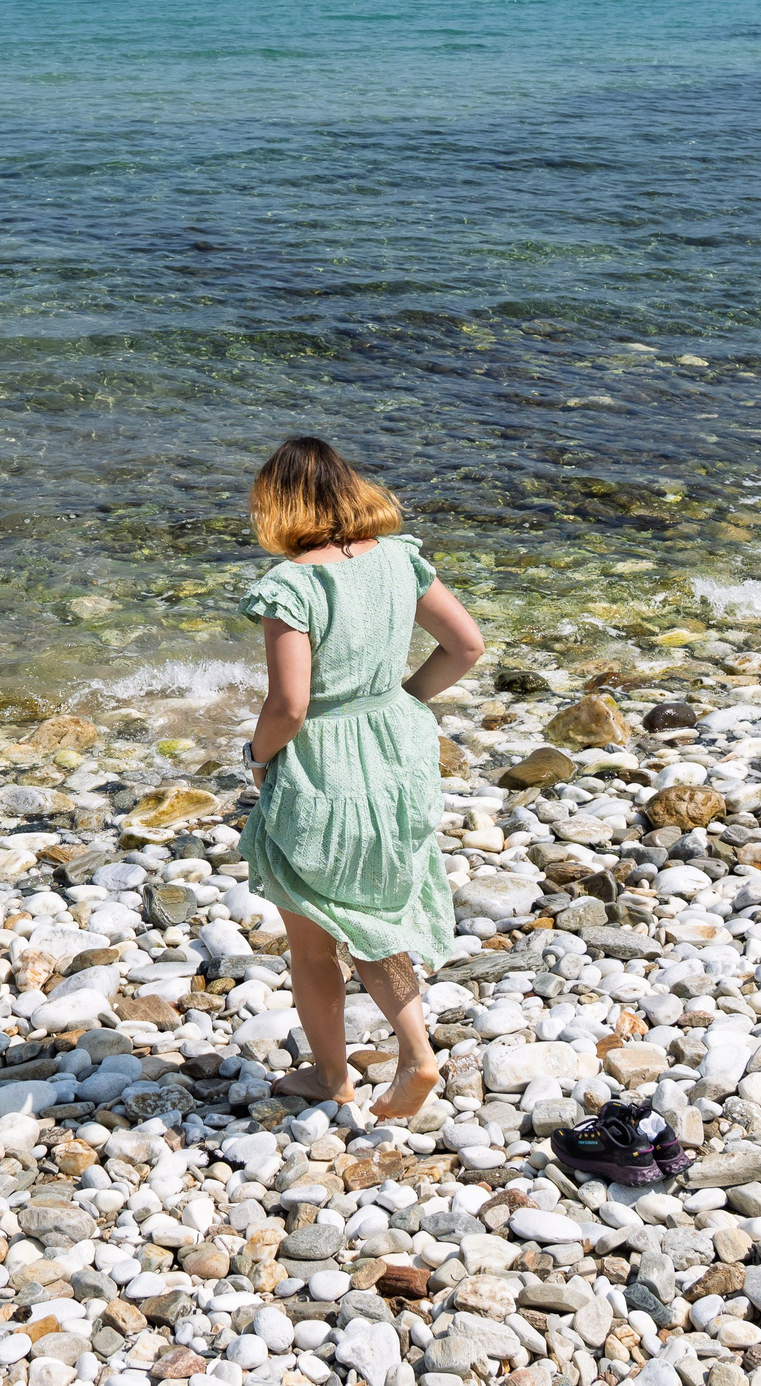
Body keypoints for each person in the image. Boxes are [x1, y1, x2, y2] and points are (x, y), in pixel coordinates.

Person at [236, 437, 484, 1118]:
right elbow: (467, 645)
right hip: (398, 751)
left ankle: (344, 1073)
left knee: (316, 934)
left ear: (277, 506)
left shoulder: (294, 585)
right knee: (376, 909)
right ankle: (409, 1052)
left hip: (324, 761)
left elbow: (289, 704)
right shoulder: (402, 560)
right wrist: (402, 698)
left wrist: (257, 756)